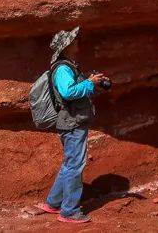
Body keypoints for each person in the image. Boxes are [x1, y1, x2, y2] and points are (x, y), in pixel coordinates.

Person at [35, 27, 108, 224]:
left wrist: (92, 82)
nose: (77, 42)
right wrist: (89, 83)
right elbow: (68, 92)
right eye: (73, 40)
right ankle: (69, 211)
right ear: (66, 46)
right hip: (72, 122)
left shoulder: (67, 66)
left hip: (72, 120)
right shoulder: (63, 69)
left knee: (69, 164)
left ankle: (53, 203)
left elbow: (73, 90)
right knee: (75, 165)